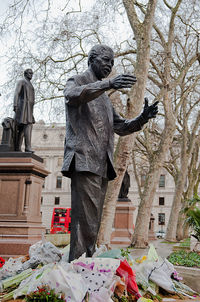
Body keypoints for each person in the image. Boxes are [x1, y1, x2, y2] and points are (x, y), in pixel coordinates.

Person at [61, 44, 158, 262]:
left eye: (112, 62)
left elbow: (121, 126)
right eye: (106, 60)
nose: (110, 66)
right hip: (83, 159)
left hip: (101, 163)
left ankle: (85, 263)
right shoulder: (77, 81)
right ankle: (78, 267)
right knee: (83, 221)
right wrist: (108, 84)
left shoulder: (104, 97)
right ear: (91, 60)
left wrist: (143, 118)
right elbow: (72, 96)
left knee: (92, 221)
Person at [13, 68, 35, 152]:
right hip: (23, 107)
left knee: (23, 127)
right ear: (25, 74)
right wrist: (15, 105)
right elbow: (16, 93)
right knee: (27, 126)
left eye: (32, 73)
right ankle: (27, 147)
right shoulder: (21, 81)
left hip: (29, 108)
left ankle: (18, 148)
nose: (31, 75)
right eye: (30, 73)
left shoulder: (30, 84)